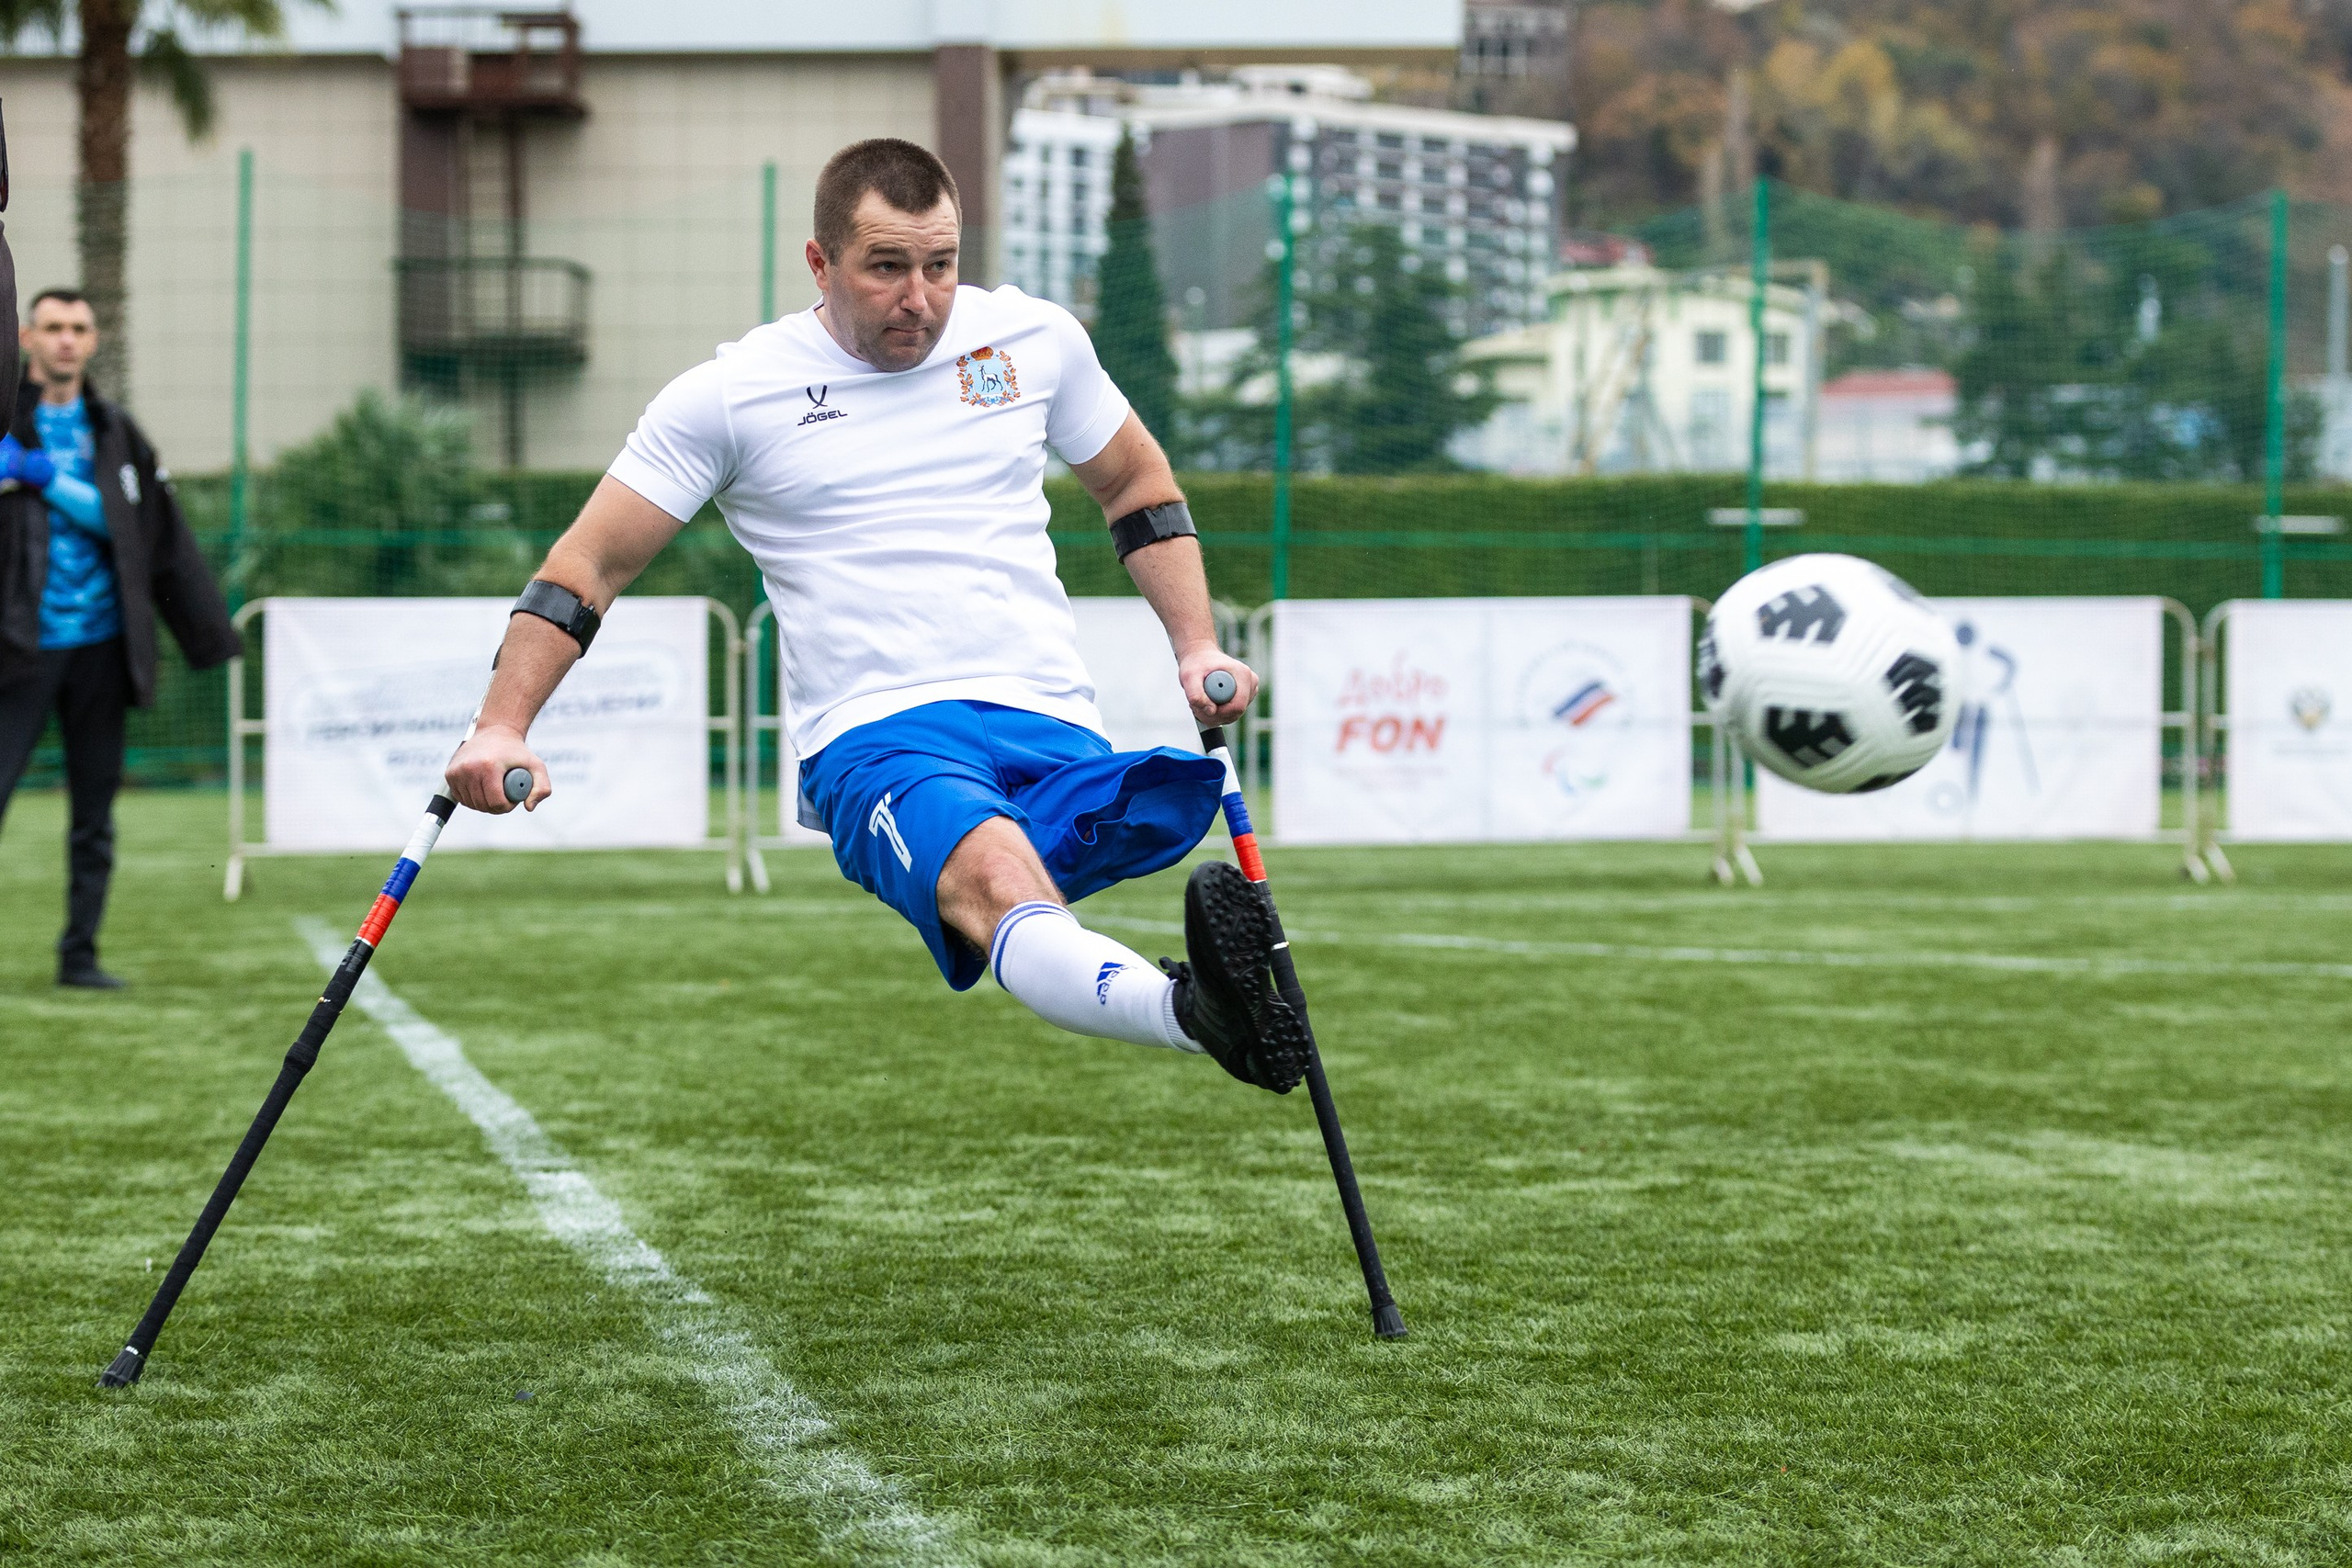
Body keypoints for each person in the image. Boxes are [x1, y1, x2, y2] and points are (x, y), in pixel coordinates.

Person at [445, 139, 1307, 1092]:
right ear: (822, 264)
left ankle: (1203, 1008)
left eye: (940, 265)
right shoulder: (731, 396)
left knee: (1042, 874)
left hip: (1048, 719)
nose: (921, 297)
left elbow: (1136, 485)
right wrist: (501, 725)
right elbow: (588, 564)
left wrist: (1195, 644)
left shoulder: (1031, 342)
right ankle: (1196, 1016)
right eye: (887, 267)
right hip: (876, 733)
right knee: (996, 878)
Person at [0, 288, 241, 988]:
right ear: (26, 335)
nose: (66, 340)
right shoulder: (5, 419)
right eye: (53, 327)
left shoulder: (115, 430)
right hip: (16, 647)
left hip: (102, 650)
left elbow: (137, 532)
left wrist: (40, 477)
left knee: (94, 815)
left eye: (79, 327)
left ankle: (80, 955)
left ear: (94, 339)